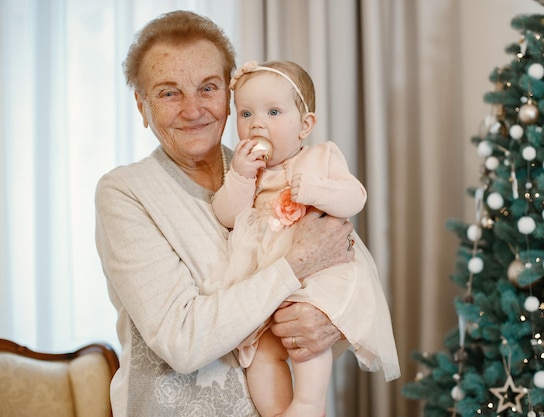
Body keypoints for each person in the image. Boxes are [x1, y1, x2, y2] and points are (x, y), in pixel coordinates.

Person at [94, 11, 356, 417]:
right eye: (168, 93)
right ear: (142, 106)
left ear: (230, 100)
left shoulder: (278, 173)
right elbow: (182, 341)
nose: (193, 109)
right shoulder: (126, 193)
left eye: (208, 88)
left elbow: (343, 264)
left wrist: (332, 319)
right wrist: (296, 265)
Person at [211, 60, 400, 417]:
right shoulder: (248, 171)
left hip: (319, 273)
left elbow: (355, 197)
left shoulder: (321, 157)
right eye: (246, 113)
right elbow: (227, 214)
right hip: (266, 275)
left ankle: (310, 405)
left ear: (305, 125)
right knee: (262, 350)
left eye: (273, 111)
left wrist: (317, 189)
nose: (257, 123)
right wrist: (238, 176)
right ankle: (279, 412)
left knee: (306, 332)